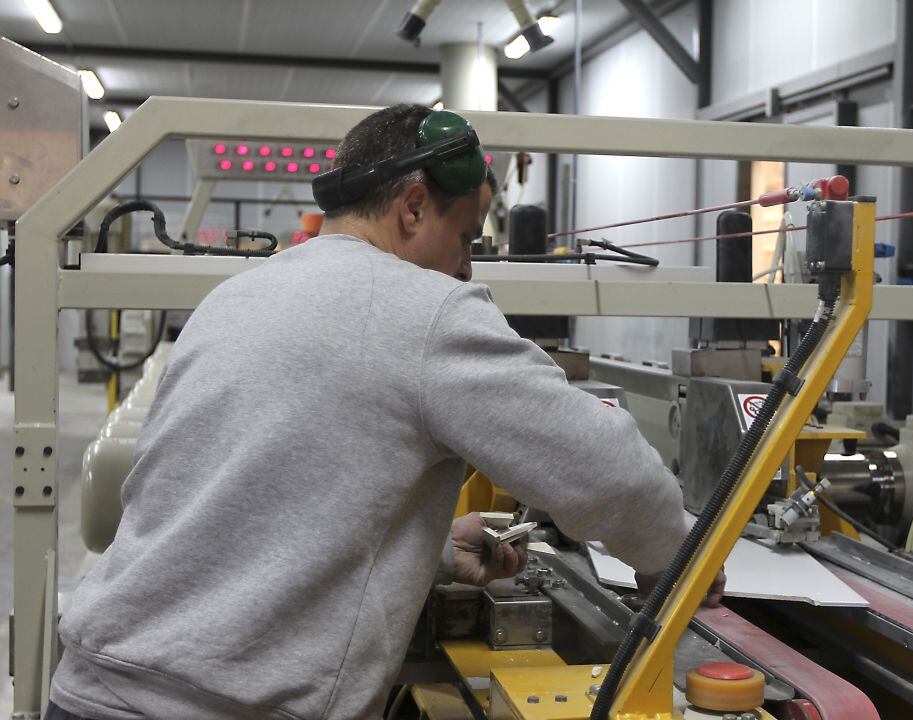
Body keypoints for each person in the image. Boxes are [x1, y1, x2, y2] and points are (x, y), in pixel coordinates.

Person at [47, 103, 722, 720]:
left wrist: (424, 551)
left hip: (90, 690)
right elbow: (610, 474)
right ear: (413, 207)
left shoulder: (235, 298)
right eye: (463, 238)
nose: (464, 269)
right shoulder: (427, 310)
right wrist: (680, 560)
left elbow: (250, 502)